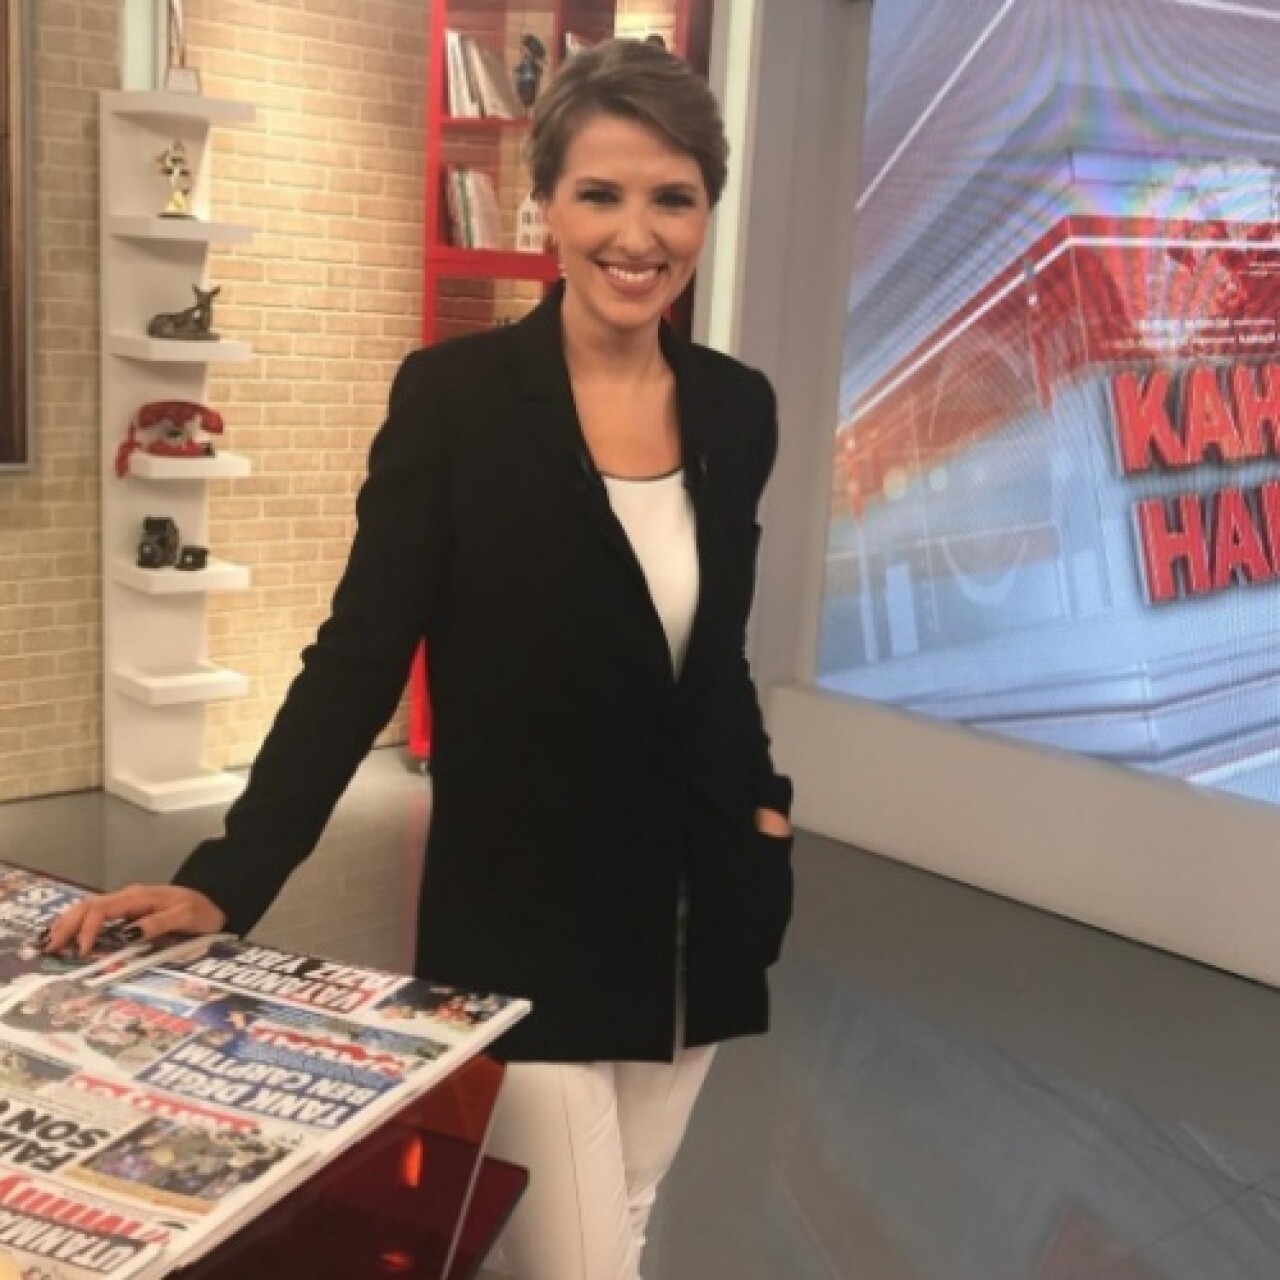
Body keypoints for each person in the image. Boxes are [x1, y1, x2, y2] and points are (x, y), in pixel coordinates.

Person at [48, 37, 794, 1280]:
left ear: (705, 211)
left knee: (627, 1211)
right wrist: (230, 877)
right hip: (524, 914)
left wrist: (763, 810)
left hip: (699, 901)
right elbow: (359, 654)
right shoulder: (456, 398)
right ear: (543, 204)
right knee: (574, 1262)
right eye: (599, 193)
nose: (636, 234)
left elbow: (711, 652)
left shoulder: (735, 405)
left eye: (672, 197)